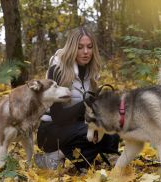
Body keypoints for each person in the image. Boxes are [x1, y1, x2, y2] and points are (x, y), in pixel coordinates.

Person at [35, 27, 119, 172]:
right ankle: (53, 157)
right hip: (50, 131)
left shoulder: (92, 72)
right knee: (88, 132)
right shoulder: (57, 70)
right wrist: (85, 104)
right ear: (72, 48)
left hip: (75, 127)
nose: (85, 52)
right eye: (80, 47)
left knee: (110, 125)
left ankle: (103, 156)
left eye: (89, 47)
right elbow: (57, 117)